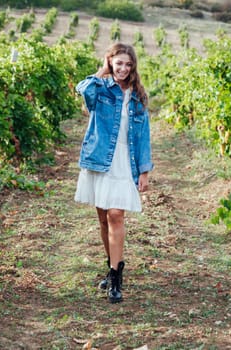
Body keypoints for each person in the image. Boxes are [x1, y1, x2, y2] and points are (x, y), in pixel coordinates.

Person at [74, 43, 153, 303]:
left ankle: (116, 279)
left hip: (124, 161)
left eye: (128, 65)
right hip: (99, 158)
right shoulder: (100, 89)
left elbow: (143, 136)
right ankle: (112, 264)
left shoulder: (138, 96)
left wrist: (144, 171)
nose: (123, 68)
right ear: (110, 62)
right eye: (118, 63)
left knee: (116, 215)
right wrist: (102, 71)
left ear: (133, 67)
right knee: (102, 218)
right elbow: (82, 89)